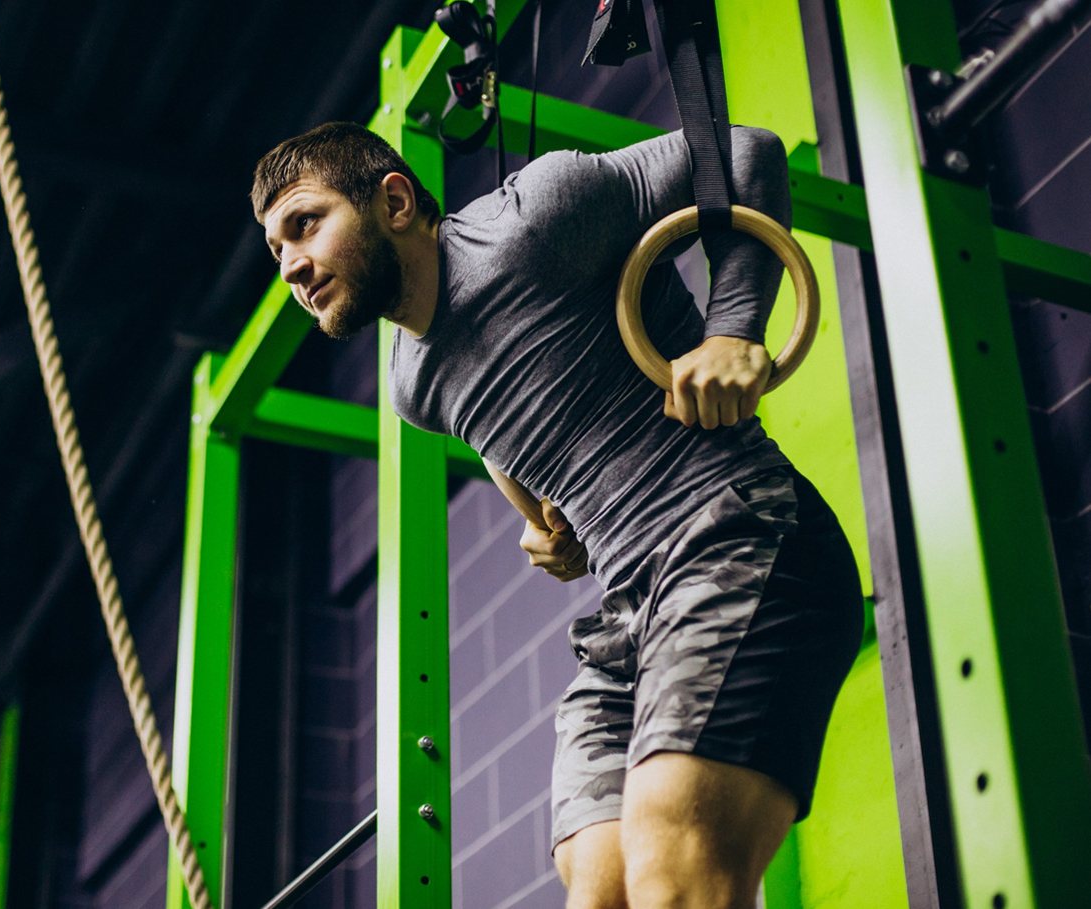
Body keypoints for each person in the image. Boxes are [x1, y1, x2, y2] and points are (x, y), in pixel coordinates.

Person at [251, 121, 864, 909]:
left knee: (673, 865)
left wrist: (733, 329)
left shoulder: (532, 219)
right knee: (600, 888)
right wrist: (544, 519)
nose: (291, 265)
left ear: (395, 201)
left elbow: (746, 152)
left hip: (738, 536)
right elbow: (493, 421)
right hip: (628, 613)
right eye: (276, 249)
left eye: (305, 224)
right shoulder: (411, 383)